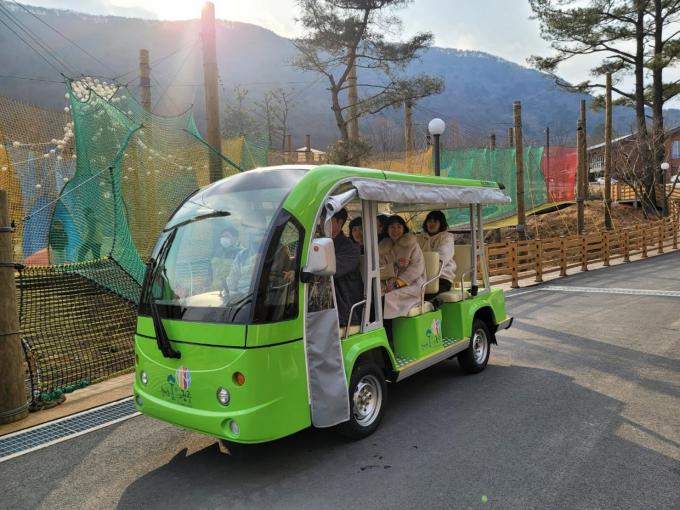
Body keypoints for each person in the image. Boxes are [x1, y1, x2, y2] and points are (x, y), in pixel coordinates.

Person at [378, 215, 426, 320]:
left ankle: (389, 327)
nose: (395, 230)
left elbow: (417, 268)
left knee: (386, 299)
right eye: (392, 227)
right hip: (388, 285)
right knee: (374, 298)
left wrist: (398, 283)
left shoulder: (412, 245)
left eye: (399, 227)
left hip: (412, 285)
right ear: (387, 229)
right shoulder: (382, 248)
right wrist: (392, 268)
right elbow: (379, 269)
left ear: (404, 229)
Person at [329, 208, 364, 326]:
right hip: (328, 306)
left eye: (328, 219)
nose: (322, 223)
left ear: (340, 223)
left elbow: (331, 269)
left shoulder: (351, 249)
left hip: (345, 310)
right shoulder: (323, 243)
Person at [417, 210, 456, 298]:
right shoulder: (420, 238)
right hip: (420, 277)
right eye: (430, 221)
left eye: (435, 221)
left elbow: (441, 259)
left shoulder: (447, 238)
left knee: (421, 297)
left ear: (441, 223)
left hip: (441, 278)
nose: (432, 224)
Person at [211, 223, 241, 291]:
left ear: (235, 238)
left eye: (227, 236)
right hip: (214, 291)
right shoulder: (217, 252)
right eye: (222, 236)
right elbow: (211, 272)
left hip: (231, 292)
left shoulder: (241, 254)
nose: (223, 238)